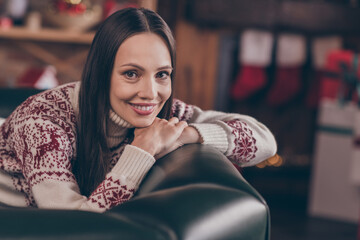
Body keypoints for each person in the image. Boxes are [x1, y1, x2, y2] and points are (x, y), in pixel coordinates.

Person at [0, 8, 277, 212]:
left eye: (162, 74)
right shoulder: (42, 127)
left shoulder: (162, 115)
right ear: (101, 74)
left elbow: (265, 142)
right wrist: (141, 152)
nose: (150, 93)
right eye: (131, 74)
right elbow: (75, 228)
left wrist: (186, 134)